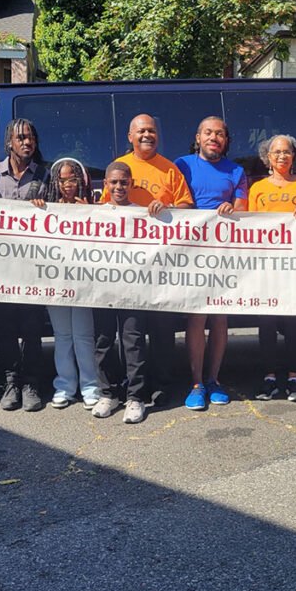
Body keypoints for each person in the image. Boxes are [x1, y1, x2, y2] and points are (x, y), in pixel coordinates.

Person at [99, 113, 193, 403]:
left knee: (162, 329)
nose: (147, 135)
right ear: (130, 136)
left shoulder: (169, 169)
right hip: (126, 267)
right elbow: (105, 210)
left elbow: (188, 207)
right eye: (140, 131)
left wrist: (166, 208)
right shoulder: (121, 169)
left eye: (151, 130)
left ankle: (162, 385)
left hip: (161, 264)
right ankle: (131, 385)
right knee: (132, 333)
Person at [174, 116, 249, 410]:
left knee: (219, 317)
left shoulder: (237, 171)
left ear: (226, 141)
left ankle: (214, 379)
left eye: (219, 134)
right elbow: (174, 200)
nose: (213, 138)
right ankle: (196, 383)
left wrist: (233, 207)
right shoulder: (181, 165)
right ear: (198, 137)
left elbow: (244, 209)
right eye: (208, 132)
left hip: (223, 252)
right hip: (190, 252)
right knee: (196, 317)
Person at [248, 134, 296, 403]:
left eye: (287, 152)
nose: (282, 156)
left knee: (293, 323)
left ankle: (294, 378)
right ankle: (269, 378)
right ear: (267, 157)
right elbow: (249, 229)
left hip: (295, 269)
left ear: (294, 156)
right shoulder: (257, 189)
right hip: (266, 269)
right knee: (266, 323)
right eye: (276, 152)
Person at [0, 118, 49, 411]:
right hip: (0, 268)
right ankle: (11, 382)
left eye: (31, 137)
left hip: (35, 268)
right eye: (21, 138)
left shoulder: (47, 175)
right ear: (9, 142)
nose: (27, 142)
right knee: (5, 328)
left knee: (33, 327)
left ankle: (32, 383)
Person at [30, 158, 101, 411]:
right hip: (55, 280)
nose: (68, 184)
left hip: (82, 281)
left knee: (83, 336)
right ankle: (64, 387)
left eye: (73, 179)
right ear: (56, 182)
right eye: (63, 179)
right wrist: (37, 208)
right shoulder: (47, 207)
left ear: (80, 181)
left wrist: (88, 212)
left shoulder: (92, 207)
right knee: (62, 336)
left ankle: (91, 387)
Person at [92, 161, 149, 423]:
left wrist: (158, 212)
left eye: (123, 182)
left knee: (132, 341)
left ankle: (135, 398)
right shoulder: (95, 214)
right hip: (103, 289)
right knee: (103, 341)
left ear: (132, 184)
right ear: (105, 184)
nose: (118, 187)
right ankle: (109, 394)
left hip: (133, 290)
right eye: (113, 182)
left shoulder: (143, 213)